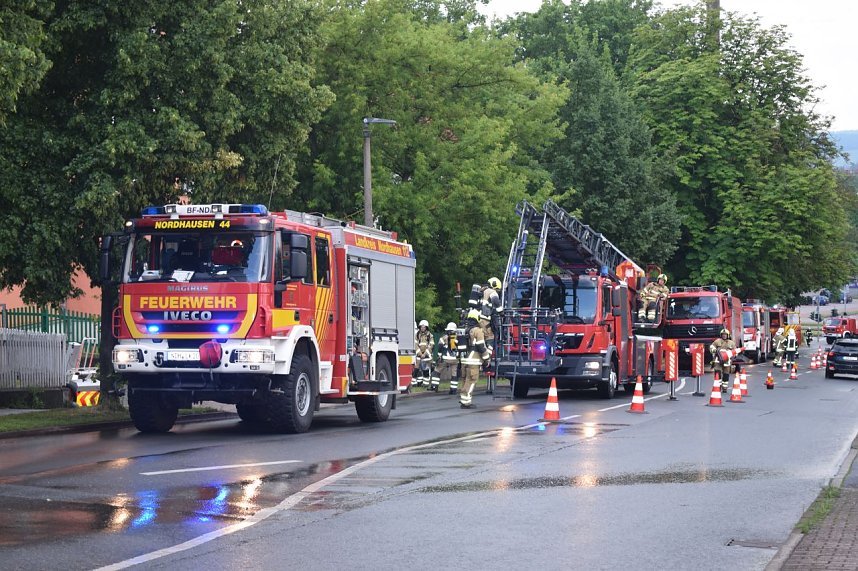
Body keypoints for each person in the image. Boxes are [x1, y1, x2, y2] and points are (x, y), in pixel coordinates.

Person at [459, 309, 488, 409]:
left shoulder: (466, 330)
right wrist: (486, 358)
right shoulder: (477, 331)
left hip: (465, 360)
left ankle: (464, 400)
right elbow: (481, 346)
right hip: (474, 360)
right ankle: (466, 402)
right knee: (471, 381)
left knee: (465, 380)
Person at [478, 277, 502, 361]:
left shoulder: (481, 291)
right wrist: (501, 312)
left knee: (480, 338)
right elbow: (496, 301)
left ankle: (480, 356)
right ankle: (487, 359)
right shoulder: (492, 291)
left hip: (477, 319)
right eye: (498, 290)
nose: (497, 292)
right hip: (484, 319)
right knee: (491, 338)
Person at [710, 328, 737, 392]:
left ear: (728, 335)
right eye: (723, 334)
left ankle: (724, 388)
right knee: (717, 372)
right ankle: (718, 386)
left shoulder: (731, 343)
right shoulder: (717, 341)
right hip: (718, 360)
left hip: (727, 361)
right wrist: (714, 350)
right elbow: (711, 347)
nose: (724, 336)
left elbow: (735, 351)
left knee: (726, 374)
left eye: (725, 334)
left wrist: (733, 356)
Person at [436, 322, 459, 394]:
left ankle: (434, 386)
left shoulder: (444, 337)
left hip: (445, 359)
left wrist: (439, 355)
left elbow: (439, 347)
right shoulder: (458, 337)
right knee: (454, 374)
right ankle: (453, 389)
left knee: (437, 371)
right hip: (455, 360)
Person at [413, 320, 434, 387]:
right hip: (419, 355)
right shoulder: (417, 335)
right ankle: (415, 383)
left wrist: (425, 354)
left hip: (426, 355)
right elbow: (415, 345)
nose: (422, 328)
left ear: (426, 327)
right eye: (421, 327)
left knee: (425, 369)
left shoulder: (430, 335)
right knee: (416, 369)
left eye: (424, 327)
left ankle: (425, 383)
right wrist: (420, 353)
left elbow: (431, 345)